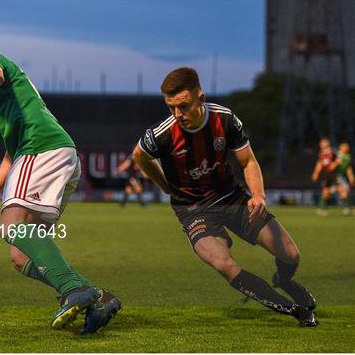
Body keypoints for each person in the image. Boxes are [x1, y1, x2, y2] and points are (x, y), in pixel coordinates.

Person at [0, 16, 120, 334]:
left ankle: (73, 290)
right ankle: (97, 298)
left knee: (12, 227)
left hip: (41, 147)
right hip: (49, 153)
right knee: (19, 255)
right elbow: (11, 148)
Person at [133, 67, 318, 326]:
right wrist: (165, 185)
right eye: (171, 107)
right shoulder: (162, 133)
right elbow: (139, 156)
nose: (177, 115)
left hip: (232, 198)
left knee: (291, 254)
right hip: (193, 209)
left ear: (201, 98)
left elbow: (249, 162)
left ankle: (284, 280)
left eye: (183, 106)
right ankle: (294, 309)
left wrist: (259, 196)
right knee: (223, 263)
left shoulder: (225, 119)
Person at [311, 138, 338, 216]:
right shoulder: (321, 153)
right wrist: (315, 173)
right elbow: (320, 163)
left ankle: (348, 208)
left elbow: (339, 161)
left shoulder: (333, 152)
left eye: (324, 144)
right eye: (321, 144)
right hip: (327, 176)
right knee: (325, 193)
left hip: (335, 175)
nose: (322, 146)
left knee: (344, 194)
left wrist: (334, 166)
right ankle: (322, 208)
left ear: (328, 144)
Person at [334, 142, 354, 215]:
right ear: (340, 148)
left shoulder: (348, 156)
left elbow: (348, 169)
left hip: (343, 177)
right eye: (343, 146)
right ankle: (346, 208)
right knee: (344, 194)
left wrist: (351, 177)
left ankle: (347, 208)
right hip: (337, 177)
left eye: (346, 147)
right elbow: (333, 166)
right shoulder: (338, 155)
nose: (345, 148)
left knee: (347, 193)